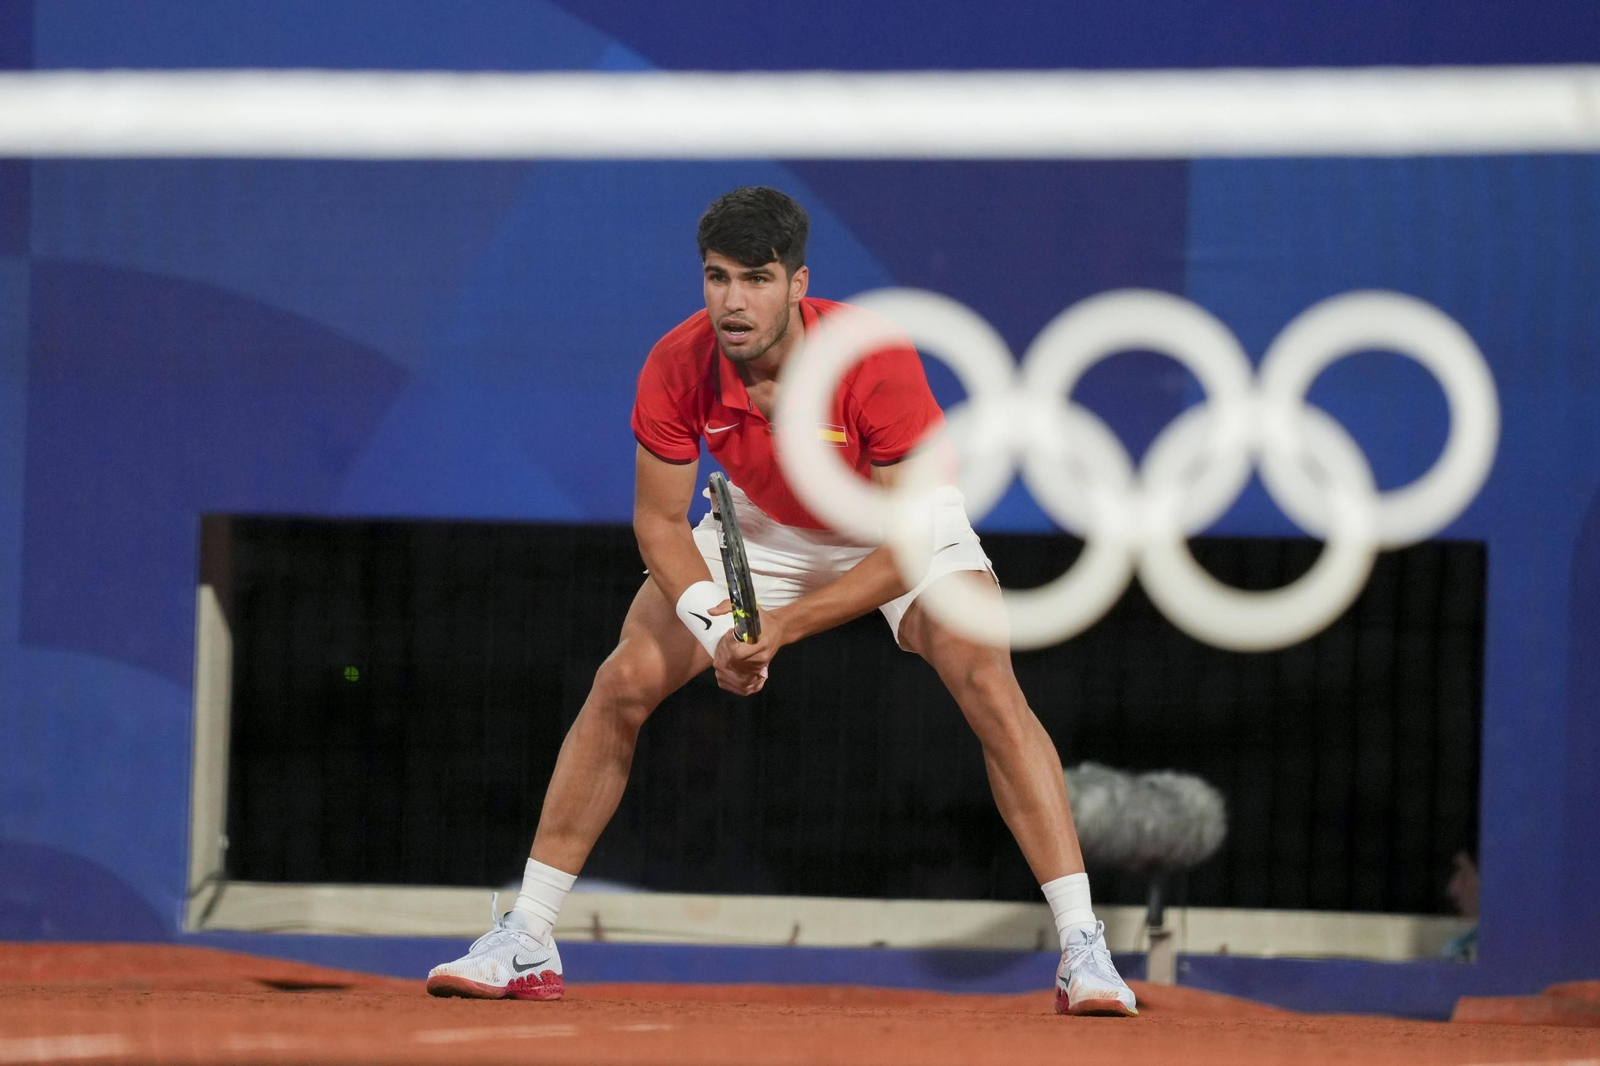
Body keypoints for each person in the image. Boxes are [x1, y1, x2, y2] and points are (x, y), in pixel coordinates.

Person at [426, 187, 1138, 1016]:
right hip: (765, 526)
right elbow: (658, 524)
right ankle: (527, 938)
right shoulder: (677, 362)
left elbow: (909, 542)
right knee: (622, 680)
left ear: (798, 284)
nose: (734, 301)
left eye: (757, 279)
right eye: (717, 277)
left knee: (983, 671)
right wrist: (719, 628)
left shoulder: (869, 357)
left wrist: (781, 629)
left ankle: (1082, 948)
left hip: (891, 522)